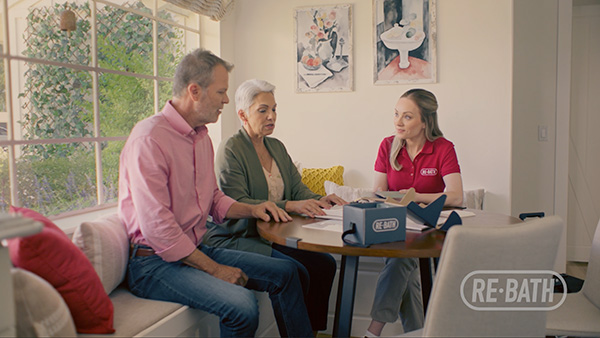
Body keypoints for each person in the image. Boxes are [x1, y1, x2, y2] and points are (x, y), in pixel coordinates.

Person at [118, 49, 314, 338]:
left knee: (287, 273)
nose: (225, 99)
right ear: (194, 91)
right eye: (221, 91)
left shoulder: (201, 138)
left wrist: (253, 208)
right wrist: (215, 269)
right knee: (242, 306)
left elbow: (212, 199)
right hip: (153, 263)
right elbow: (158, 229)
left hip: (193, 249)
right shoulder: (149, 139)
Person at [203, 78, 347, 334]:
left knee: (324, 264)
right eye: (263, 110)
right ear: (242, 114)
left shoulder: (276, 147)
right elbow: (237, 203)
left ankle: (311, 331)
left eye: (274, 109)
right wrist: (292, 204)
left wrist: (318, 199)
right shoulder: (231, 149)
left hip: (271, 237)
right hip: (238, 237)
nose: (271, 116)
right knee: (295, 271)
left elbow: (296, 188)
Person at [366, 88, 463, 337]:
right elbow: (378, 192)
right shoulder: (387, 145)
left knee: (401, 258)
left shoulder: (443, 148)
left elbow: (456, 196)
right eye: (396, 114)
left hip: (429, 229)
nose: (398, 122)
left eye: (407, 117)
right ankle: (420, 332)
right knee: (403, 262)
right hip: (394, 224)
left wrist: (414, 196)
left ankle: (373, 331)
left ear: (425, 121)